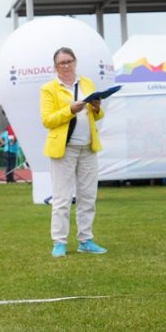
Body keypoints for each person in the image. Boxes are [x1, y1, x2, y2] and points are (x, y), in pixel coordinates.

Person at [40, 46, 108, 258]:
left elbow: (97, 116)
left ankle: (85, 240)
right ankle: (59, 242)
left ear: (75, 62)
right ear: (55, 67)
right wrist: (70, 110)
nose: (67, 65)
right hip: (64, 149)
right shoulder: (48, 89)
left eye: (69, 61)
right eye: (62, 63)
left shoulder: (87, 83)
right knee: (62, 198)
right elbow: (47, 120)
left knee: (88, 196)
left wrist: (96, 107)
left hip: (88, 147)